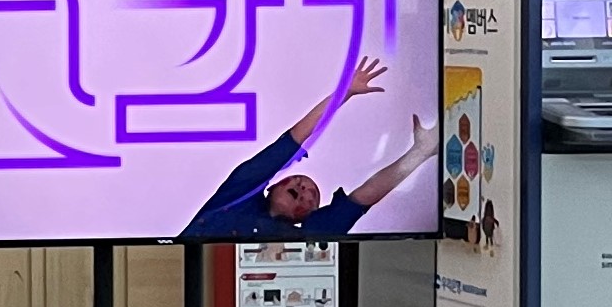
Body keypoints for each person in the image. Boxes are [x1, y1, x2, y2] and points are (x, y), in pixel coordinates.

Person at [180, 56, 437, 241]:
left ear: (310, 214)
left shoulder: (312, 233)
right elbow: (294, 138)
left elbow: (364, 196)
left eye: (311, 195)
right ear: (271, 186)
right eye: (300, 183)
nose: (303, 189)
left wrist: (420, 153)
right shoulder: (238, 193)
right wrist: (343, 94)